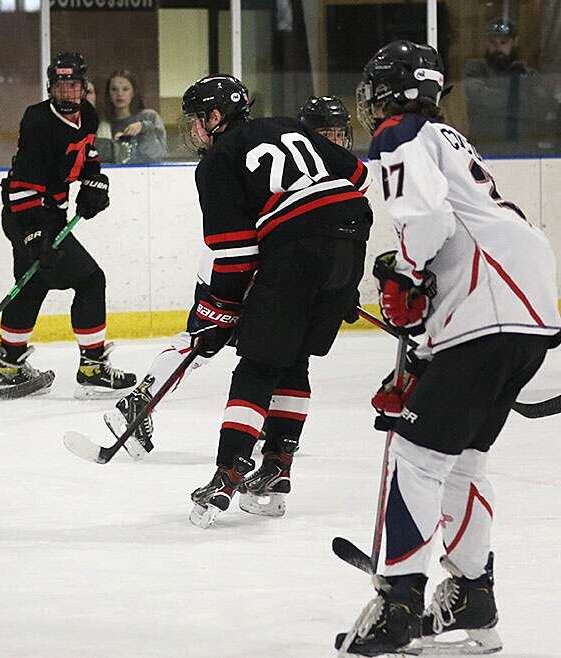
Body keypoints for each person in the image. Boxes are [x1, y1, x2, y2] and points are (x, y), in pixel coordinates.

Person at [335, 40, 561, 656]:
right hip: (530, 307)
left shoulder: (398, 134)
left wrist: (405, 274)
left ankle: (399, 603)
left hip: (488, 305)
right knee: (463, 459)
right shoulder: (447, 136)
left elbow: (428, 222)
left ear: (391, 90)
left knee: (415, 454)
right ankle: (473, 597)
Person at [102, 94, 361, 474]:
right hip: (235, 259)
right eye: (324, 134)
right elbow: (238, 240)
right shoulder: (262, 147)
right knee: (206, 338)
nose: (332, 142)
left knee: (271, 350)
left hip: (270, 258)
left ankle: (258, 423)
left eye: (337, 134)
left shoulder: (273, 145)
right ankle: (138, 403)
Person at [173, 74, 371, 529]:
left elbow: (237, 252)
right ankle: (277, 470)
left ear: (216, 117)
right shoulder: (287, 124)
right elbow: (356, 176)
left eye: (198, 120)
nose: (196, 130)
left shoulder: (218, 160)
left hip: (300, 248)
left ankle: (228, 474)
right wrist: (335, 266)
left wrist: (217, 313)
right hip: (351, 234)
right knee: (293, 357)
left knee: (258, 364)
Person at [0, 52, 129, 399]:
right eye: (60, 86)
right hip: (26, 215)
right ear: (51, 88)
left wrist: (95, 182)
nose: (67, 92)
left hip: (50, 217)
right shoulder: (37, 120)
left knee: (32, 285)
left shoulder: (89, 116)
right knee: (90, 279)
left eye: (73, 85)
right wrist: (35, 234)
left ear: (83, 86)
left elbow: (88, 156)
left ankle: (10, 365)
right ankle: (93, 366)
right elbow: (23, 184)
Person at [463, 18, 549, 153]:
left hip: (523, 148)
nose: (498, 47)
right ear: (486, 43)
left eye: (503, 42)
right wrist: (518, 93)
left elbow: (541, 107)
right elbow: (482, 98)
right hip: (484, 145)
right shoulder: (475, 68)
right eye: (493, 42)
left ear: (514, 42)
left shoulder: (526, 72)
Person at [93, 70, 166, 164]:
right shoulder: (103, 124)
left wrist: (145, 128)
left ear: (133, 92)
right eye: (114, 89)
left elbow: (159, 154)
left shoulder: (149, 117)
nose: (120, 94)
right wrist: (115, 146)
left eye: (125, 89)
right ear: (108, 93)